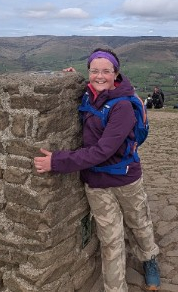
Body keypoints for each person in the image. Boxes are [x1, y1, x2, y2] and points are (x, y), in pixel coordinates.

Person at [34, 48, 161, 291]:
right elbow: (88, 87)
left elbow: (103, 151)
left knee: (138, 223)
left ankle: (149, 258)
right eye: (94, 71)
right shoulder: (88, 94)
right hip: (96, 183)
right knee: (110, 240)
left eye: (106, 71)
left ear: (116, 73)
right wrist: (73, 79)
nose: (100, 76)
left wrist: (57, 161)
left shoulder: (122, 106)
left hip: (126, 179)